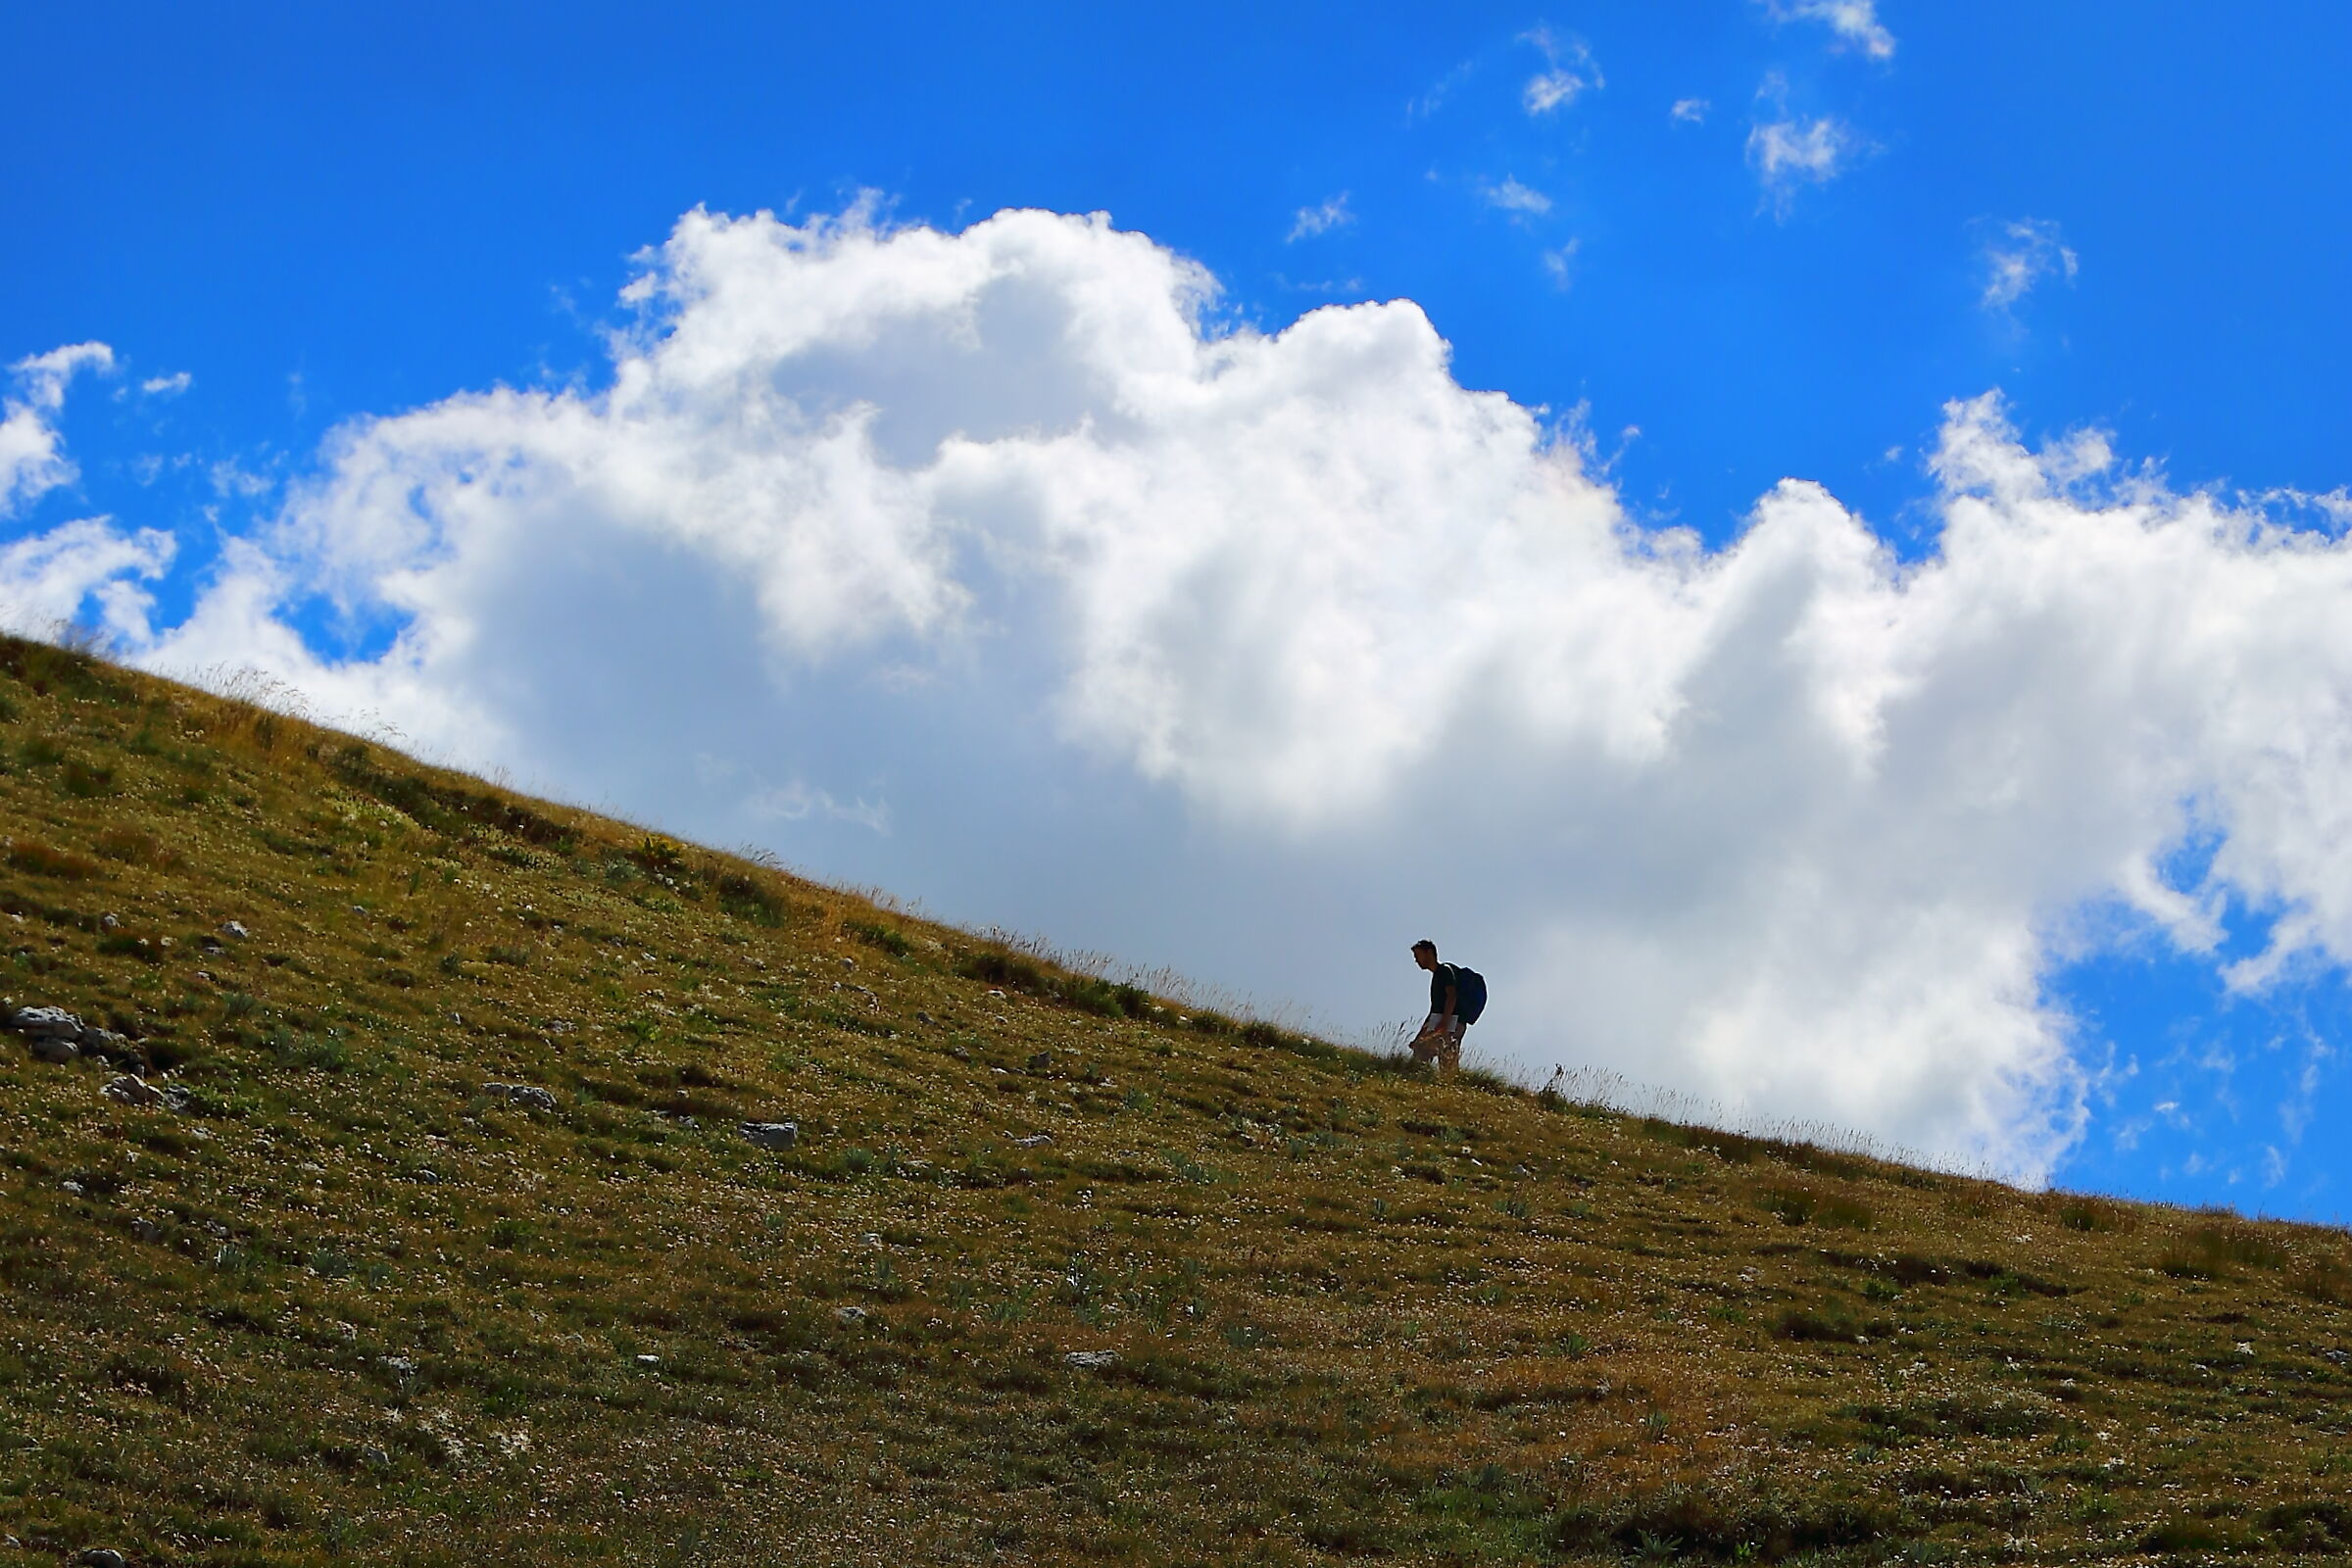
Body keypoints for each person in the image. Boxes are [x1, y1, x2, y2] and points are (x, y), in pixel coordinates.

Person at [1409, 940, 1485, 1073]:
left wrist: (1444, 1022)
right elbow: (1433, 1013)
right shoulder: (1437, 977)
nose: (1416, 960)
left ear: (1429, 952)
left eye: (1417, 955)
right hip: (1447, 1020)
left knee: (1438, 1057)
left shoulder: (1444, 971)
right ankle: (1435, 1084)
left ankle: (1423, 1080)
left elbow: (1452, 996)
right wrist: (1419, 1038)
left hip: (1452, 1020)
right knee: (1433, 1055)